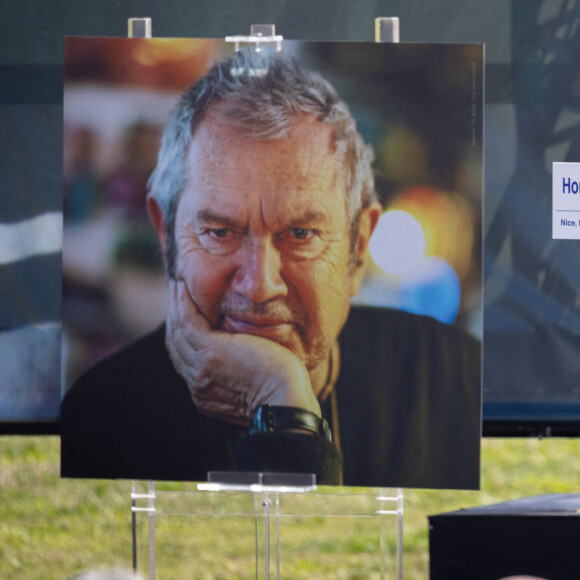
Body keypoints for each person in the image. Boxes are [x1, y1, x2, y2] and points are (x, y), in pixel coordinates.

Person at [61, 51, 481, 489]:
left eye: (301, 234)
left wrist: (282, 403)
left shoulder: (456, 380)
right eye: (220, 232)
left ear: (358, 249)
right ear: (166, 237)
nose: (260, 285)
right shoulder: (100, 415)